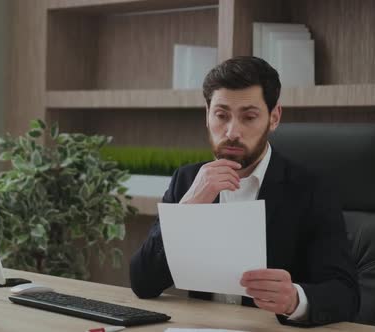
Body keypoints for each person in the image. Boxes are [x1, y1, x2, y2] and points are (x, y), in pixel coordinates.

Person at [129, 56, 359, 327]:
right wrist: (187, 208)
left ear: (274, 118)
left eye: (248, 117)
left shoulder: (311, 189)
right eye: (221, 115)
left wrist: (295, 299)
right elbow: (143, 282)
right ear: (207, 114)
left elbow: (346, 294)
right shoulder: (188, 180)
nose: (232, 131)